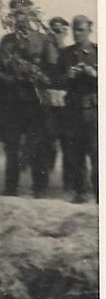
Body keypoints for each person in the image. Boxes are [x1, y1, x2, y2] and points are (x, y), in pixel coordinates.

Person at [0, 0, 51, 198]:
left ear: (30, 13)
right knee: (12, 146)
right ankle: (11, 188)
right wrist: (13, 78)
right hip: (13, 101)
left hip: (35, 101)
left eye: (21, 12)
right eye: (15, 13)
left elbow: (51, 70)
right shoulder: (7, 42)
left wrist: (39, 77)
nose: (18, 17)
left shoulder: (42, 40)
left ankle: (40, 187)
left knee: (38, 143)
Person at [57, 15, 98, 203]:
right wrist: (68, 75)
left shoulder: (98, 51)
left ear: (89, 30)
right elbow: (55, 80)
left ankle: (99, 193)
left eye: (80, 30)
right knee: (76, 153)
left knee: (97, 152)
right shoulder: (65, 54)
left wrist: (95, 74)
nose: (76, 34)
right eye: (74, 30)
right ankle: (81, 192)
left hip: (94, 109)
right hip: (73, 110)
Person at [43, 16, 70, 189]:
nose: (56, 35)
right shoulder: (45, 54)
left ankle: (68, 184)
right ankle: (45, 181)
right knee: (48, 142)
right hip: (49, 104)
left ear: (66, 33)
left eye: (60, 31)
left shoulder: (71, 52)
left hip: (68, 104)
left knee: (68, 144)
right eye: (53, 31)